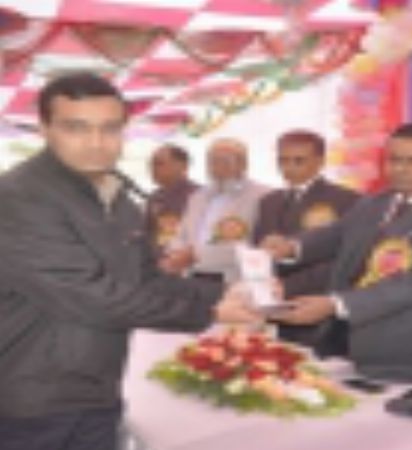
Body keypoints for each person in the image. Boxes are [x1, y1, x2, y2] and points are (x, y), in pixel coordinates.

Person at [0, 72, 264, 450]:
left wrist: (226, 291)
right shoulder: (20, 197)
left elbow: (145, 278)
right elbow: (91, 295)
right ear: (44, 129)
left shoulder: (115, 194)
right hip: (33, 399)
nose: (96, 143)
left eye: (110, 128)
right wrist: (209, 313)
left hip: (97, 388)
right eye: (76, 128)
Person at [265, 123, 412, 382]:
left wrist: (337, 304)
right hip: (348, 339)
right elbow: (338, 233)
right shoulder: (378, 201)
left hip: (411, 350)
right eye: (394, 160)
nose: (401, 169)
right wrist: (292, 246)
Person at [252, 130, 360, 356]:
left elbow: (343, 259)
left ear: (320, 161)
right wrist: (261, 284)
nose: (289, 167)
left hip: (317, 303)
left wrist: (291, 286)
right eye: (283, 160)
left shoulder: (346, 200)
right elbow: (258, 251)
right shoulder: (268, 201)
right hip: (272, 303)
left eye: (298, 161)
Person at [160, 138, 268, 281]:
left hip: (233, 278)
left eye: (224, 161)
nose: (217, 167)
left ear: (243, 164)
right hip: (191, 275)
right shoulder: (198, 196)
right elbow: (181, 234)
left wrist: (196, 255)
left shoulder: (262, 196)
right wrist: (176, 254)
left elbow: (253, 245)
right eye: (212, 161)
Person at [144, 143, 199, 255]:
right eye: (151, 165)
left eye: (159, 164)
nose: (153, 169)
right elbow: (149, 233)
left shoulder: (198, 196)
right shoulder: (155, 197)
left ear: (182, 166)